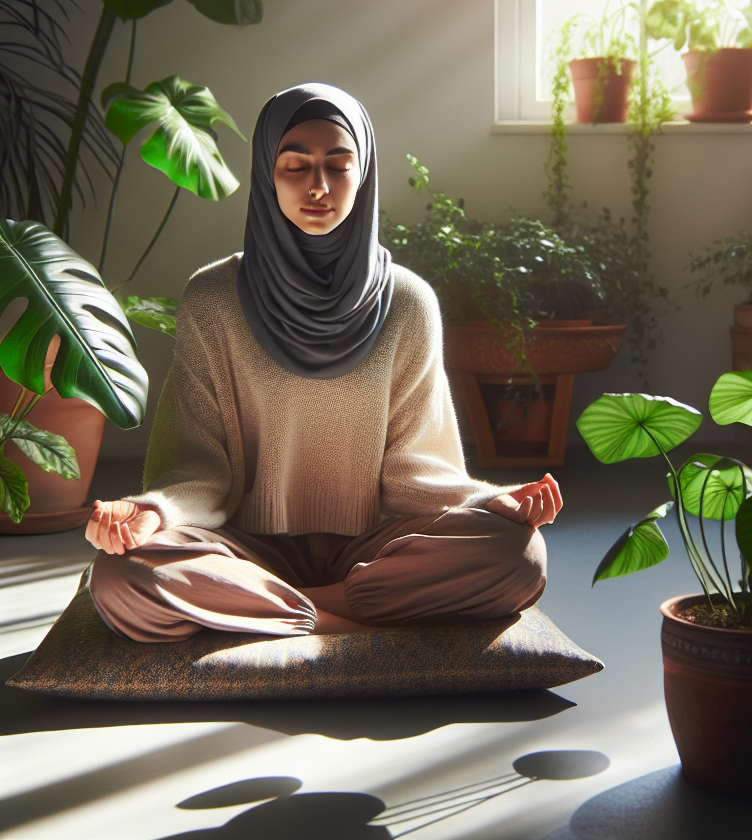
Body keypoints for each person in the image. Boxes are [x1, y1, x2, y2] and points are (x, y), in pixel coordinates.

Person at [86, 83, 561, 642]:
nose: (318, 186)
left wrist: (489, 501)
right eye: (295, 166)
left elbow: (416, 473)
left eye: (339, 166)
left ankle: (277, 611)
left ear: (364, 175)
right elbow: (200, 468)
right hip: (244, 545)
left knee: (520, 555)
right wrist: (153, 514)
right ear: (268, 173)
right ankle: (344, 615)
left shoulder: (407, 302)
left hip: (375, 545)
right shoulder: (213, 299)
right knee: (120, 576)